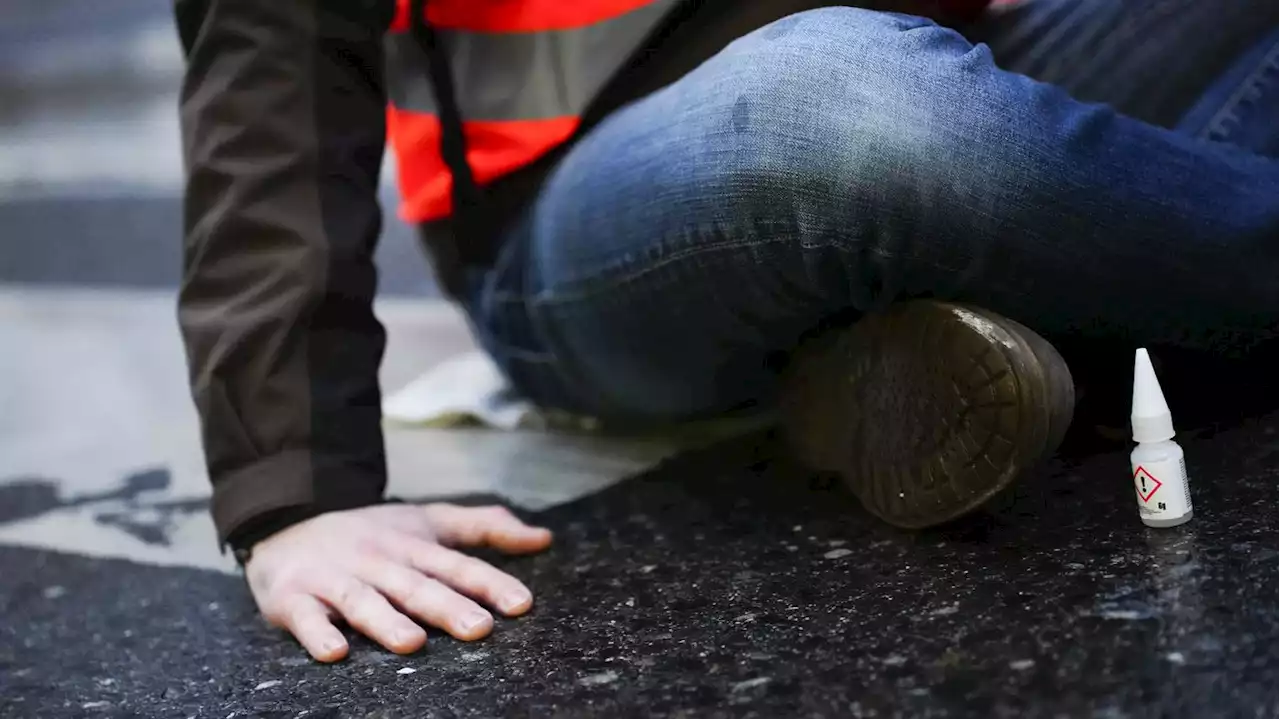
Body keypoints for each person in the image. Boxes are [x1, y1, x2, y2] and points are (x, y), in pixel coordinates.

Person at [174, 0, 1280, 662]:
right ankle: (1111, 284)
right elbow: (267, 88)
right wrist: (296, 492)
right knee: (841, 100)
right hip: (591, 228)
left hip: (955, 85)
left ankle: (861, 364)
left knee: (886, 94)